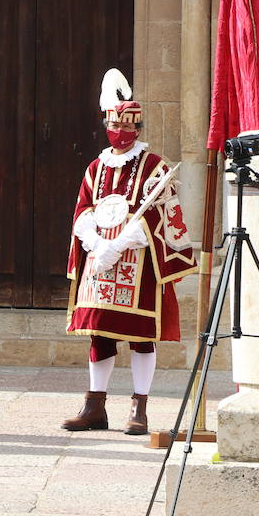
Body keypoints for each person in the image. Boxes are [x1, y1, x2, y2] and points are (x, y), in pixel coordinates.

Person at [63, 68, 195, 434]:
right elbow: (83, 210)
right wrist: (96, 244)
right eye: (113, 126)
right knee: (99, 333)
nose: (119, 134)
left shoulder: (155, 167)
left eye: (127, 128)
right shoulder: (96, 167)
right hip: (100, 261)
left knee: (140, 335)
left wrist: (121, 243)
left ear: (138, 129)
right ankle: (94, 406)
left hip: (138, 263)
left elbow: (163, 214)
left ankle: (139, 409)